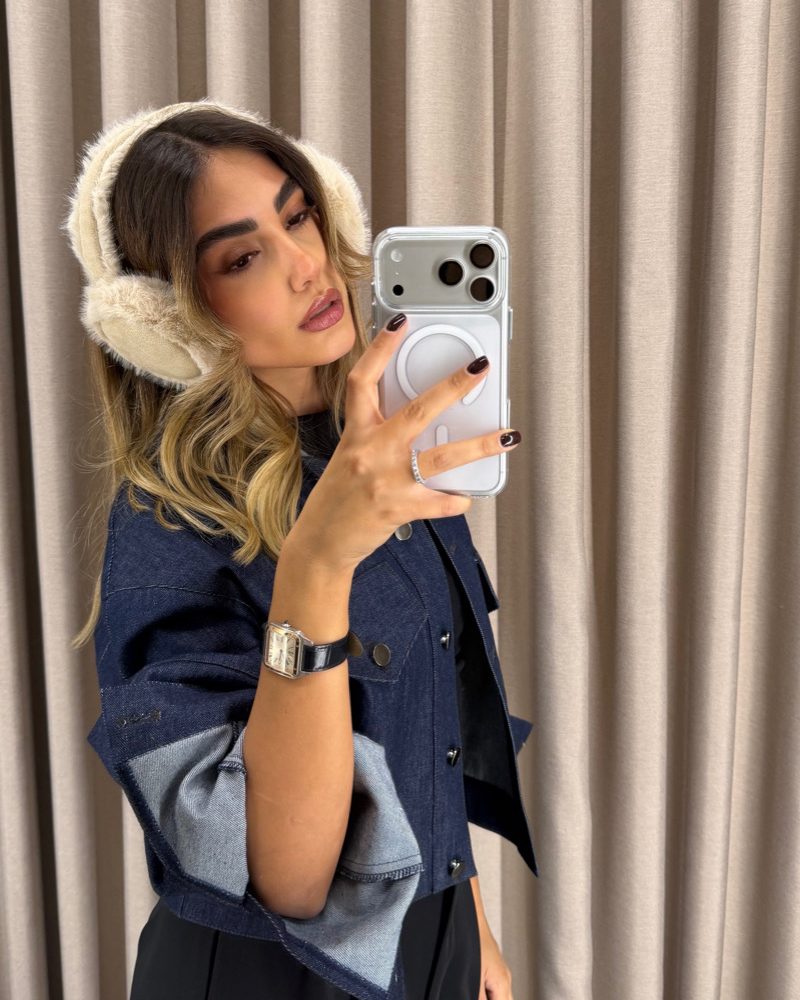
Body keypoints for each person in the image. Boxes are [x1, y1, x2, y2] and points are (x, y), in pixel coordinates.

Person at [63, 98, 536, 1000]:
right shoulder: (168, 521)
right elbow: (290, 878)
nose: (307, 266)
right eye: (243, 258)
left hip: (431, 944)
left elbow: (432, 716)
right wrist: (319, 562)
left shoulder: (379, 449)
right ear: (165, 317)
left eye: (299, 217)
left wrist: (470, 923)